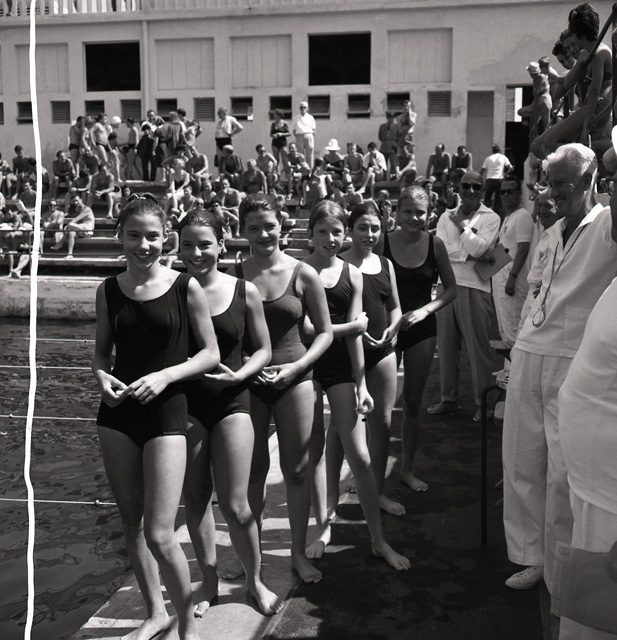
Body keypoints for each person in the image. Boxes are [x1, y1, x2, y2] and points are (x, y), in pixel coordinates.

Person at [92, 194, 219, 640]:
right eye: (134, 236)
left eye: (151, 236)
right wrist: (101, 377)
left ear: (166, 238)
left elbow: (210, 354)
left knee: (161, 533)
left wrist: (166, 376)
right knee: (132, 524)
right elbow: (101, 354)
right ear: (120, 237)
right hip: (117, 414)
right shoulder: (108, 290)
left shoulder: (186, 287)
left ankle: (187, 628)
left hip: (167, 414)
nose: (143, 245)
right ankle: (154, 613)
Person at [502, 143, 617, 597]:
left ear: (590, 181)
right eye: (549, 184)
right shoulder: (551, 230)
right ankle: (531, 555)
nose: (552, 193)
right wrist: (515, 349)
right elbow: (537, 291)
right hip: (530, 350)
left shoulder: (606, 225)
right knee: (521, 459)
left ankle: (560, 572)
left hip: (572, 358)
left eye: (562, 183)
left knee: (562, 474)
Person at [177, 211, 284, 616]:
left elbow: (264, 350)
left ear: (221, 245)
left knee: (236, 504)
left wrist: (239, 375)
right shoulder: (172, 289)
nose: (196, 252)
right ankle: (209, 584)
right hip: (187, 405)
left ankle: (255, 582)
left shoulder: (243, 290)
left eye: (205, 244)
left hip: (233, 402)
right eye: (188, 244)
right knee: (196, 499)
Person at [229, 193, 333, 584]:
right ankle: (249, 559)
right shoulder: (233, 275)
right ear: (243, 231)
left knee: (298, 470)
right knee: (252, 472)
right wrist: (243, 367)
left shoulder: (303, 274)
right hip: (250, 382)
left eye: (269, 225)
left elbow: (324, 333)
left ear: (282, 225)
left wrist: (298, 368)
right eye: (253, 227)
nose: (263, 234)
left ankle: (297, 554)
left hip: (296, 379)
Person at [303, 200, 410, 571]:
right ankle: (322, 528)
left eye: (336, 232)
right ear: (310, 234)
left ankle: (378, 541)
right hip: (308, 368)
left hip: (341, 370)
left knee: (361, 457)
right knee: (314, 452)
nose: (330, 239)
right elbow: (309, 329)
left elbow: (354, 340)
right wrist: (351, 327)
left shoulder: (353, 273)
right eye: (322, 232)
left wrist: (361, 384)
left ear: (343, 233)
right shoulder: (300, 271)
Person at [383, 187, 457, 492]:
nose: (414, 218)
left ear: (429, 215)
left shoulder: (435, 244)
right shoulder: (382, 242)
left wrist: (425, 310)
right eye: (408, 212)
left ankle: (406, 469)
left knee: (412, 402)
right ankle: (369, 471)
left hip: (421, 330)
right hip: (387, 329)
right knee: (379, 405)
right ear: (397, 213)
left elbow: (451, 289)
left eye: (420, 213)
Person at [340, 204, 405, 516]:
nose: (369, 234)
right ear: (350, 230)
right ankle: (331, 496)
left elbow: (395, 306)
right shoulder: (338, 263)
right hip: (344, 354)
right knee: (341, 428)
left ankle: (377, 492)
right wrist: (355, 332)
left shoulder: (385, 264)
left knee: (382, 424)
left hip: (382, 351)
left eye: (375, 228)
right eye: (363, 228)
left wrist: (393, 328)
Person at [428, 171, 501, 422]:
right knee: (446, 347)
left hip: (475, 287)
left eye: (476, 186)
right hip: (446, 286)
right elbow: (439, 250)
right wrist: (468, 255)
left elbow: (479, 248)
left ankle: (485, 404)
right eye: (466, 186)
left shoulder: (491, 217)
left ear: (483, 191)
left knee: (478, 349)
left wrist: (462, 226)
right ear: (459, 189)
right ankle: (448, 399)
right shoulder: (444, 216)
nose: (471, 190)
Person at [531, 4, 612, 161]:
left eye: (572, 40)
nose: (570, 49)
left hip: (598, 108)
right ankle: (577, 164)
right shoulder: (587, 54)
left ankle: (582, 165)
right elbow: (565, 85)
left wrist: (585, 127)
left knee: (550, 142)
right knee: (539, 145)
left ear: (578, 33)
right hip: (591, 107)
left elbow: (595, 91)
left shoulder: (599, 52)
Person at [491, 175, 534, 345]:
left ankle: (514, 363)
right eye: (502, 192)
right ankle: (508, 363)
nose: (505, 195)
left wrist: (512, 278)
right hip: (501, 281)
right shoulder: (509, 216)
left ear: (519, 193)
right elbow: (506, 249)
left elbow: (523, 250)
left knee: (514, 329)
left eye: (510, 191)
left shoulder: (522, 216)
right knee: (505, 329)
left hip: (512, 283)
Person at [51, 192, 96, 258]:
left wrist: (67, 226)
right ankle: (70, 254)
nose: (76, 203)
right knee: (71, 232)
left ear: (81, 199)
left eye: (77, 201)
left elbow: (76, 220)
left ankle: (60, 243)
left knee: (70, 225)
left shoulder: (87, 209)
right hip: (81, 229)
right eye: (74, 201)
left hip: (88, 229)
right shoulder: (78, 209)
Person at [518, 61, 552, 135]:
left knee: (547, 126)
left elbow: (537, 93)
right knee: (521, 111)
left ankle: (550, 138)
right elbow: (536, 96)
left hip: (544, 102)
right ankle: (539, 114)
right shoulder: (535, 79)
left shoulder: (541, 77)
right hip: (538, 102)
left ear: (531, 73)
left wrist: (534, 123)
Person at [480, 144, 513, 215]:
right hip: (499, 180)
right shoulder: (503, 157)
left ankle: (487, 214)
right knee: (498, 199)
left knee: (487, 199)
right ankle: (497, 215)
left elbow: (481, 171)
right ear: (500, 150)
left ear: (492, 151)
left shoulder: (488, 158)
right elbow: (511, 168)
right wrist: (505, 175)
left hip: (490, 180)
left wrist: (482, 180)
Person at [292, 102, 316, 169]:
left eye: (304, 107)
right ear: (299, 108)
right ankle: (302, 171)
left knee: (309, 155)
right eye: (301, 107)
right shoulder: (296, 118)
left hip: (309, 135)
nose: (303, 109)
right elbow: (294, 130)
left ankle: (310, 171)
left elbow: (314, 129)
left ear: (307, 108)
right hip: (299, 136)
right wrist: (299, 136)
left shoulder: (311, 117)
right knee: (300, 155)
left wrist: (309, 136)